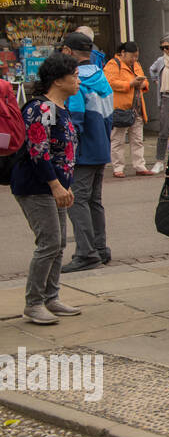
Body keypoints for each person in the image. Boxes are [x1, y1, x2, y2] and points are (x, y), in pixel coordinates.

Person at [10, 53, 81, 325]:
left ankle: (51, 297)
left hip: (57, 185)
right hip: (37, 185)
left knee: (59, 242)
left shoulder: (59, 108)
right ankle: (34, 302)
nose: (77, 80)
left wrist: (64, 184)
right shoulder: (41, 109)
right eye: (73, 75)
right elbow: (39, 151)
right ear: (57, 79)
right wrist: (55, 185)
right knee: (49, 242)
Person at [59, 32, 114, 272]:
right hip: (101, 145)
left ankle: (86, 252)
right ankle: (100, 249)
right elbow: (111, 115)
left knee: (77, 200)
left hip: (83, 151)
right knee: (94, 200)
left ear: (69, 52)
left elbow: (76, 117)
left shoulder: (75, 80)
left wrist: (67, 150)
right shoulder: (101, 76)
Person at [104, 41, 153, 178]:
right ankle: (118, 168)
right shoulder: (113, 64)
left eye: (136, 56)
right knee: (118, 140)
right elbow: (109, 82)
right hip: (121, 109)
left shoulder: (136, 65)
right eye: (132, 56)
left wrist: (143, 84)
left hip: (137, 108)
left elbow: (145, 82)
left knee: (137, 139)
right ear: (123, 53)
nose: (134, 59)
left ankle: (140, 166)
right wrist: (130, 84)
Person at [148, 34, 169, 171]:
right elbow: (152, 70)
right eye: (162, 47)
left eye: (167, 47)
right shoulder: (161, 61)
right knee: (164, 131)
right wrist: (156, 80)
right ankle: (159, 160)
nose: (165, 50)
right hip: (167, 97)